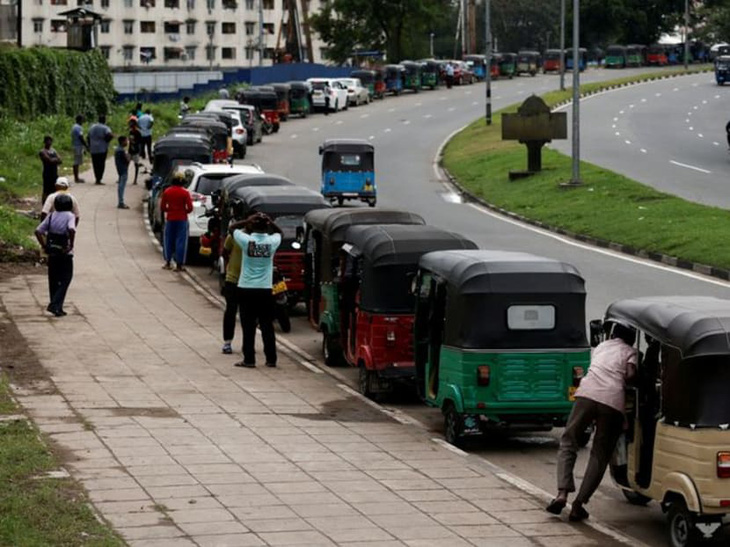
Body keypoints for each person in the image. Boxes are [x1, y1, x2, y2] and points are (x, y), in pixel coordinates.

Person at [547, 322, 638, 522]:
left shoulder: (602, 347)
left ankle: (562, 493)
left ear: (613, 334)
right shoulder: (631, 352)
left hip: (587, 394)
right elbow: (631, 375)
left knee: (569, 440)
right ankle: (578, 505)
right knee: (600, 453)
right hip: (612, 401)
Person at [233, 212, 282, 368]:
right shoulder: (272, 242)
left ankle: (249, 359)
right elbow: (279, 233)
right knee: (267, 325)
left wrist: (247, 220)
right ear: (266, 227)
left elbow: (232, 228)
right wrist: (270, 221)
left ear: (252, 226)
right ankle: (271, 359)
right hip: (265, 289)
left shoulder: (246, 241)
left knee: (248, 326)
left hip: (246, 288)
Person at [35, 193, 76, 317]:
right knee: (66, 278)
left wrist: (44, 245)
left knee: (53, 279)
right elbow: (71, 229)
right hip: (65, 252)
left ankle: (57, 307)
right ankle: (54, 304)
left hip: (52, 251)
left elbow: (38, 231)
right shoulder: (70, 216)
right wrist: (71, 244)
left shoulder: (51, 216)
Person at [221, 219, 247, 355]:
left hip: (248, 282)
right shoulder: (235, 236)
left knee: (247, 314)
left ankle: (247, 344)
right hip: (233, 279)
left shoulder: (255, 239)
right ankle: (227, 342)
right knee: (231, 311)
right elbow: (225, 252)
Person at [160, 172, 193, 271]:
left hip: (170, 219)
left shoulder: (167, 191)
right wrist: (184, 211)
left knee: (168, 240)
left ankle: (168, 262)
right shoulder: (185, 193)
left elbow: (162, 207)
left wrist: (170, 210)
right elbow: (190, 208)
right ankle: (179, 264)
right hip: (182, 219)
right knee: (181, 241)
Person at [88, 115, 113, 185]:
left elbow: (88, 136)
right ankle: (99, 178)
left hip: (93, 149)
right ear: (104, 120)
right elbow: (110, 135)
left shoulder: (92, 127)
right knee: (101, 164)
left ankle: (97, 178)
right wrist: (106, 140)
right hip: (102, 148)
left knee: (95, 164)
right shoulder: (105, 128)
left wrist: (89, 145)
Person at [39, 135, 62, 203]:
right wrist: (55, 160)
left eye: (50, 140)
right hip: (47, 173)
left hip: (54, 173)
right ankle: (44, 205)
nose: (49, 142)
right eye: (47, 141)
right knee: (46, 190)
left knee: (55, 189)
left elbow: (60, 160)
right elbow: (49, 160)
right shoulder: (42, 151)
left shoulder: (53, 150)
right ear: (45, 142)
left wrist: (53, 160)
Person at [114, 136, 131, 209]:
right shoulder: (121, 151)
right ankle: (121, 202)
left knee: (121, 185)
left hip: (120, 169)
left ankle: (120, 201)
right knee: (121, 186)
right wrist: (128, 157)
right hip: (123, 169)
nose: (127, 142)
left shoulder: (118, 149)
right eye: (126, 141)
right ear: (122, 142)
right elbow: (127, 160)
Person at [70, 115, 88, 184]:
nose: (83, 121)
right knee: (76, 162)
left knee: (77, 161)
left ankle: (77, 177)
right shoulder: (78, 128)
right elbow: (81, 137)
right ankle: (76, 178)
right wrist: (86, 145)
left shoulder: (74, 126)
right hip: (77, 146)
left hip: (75, 145)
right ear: (80, 120)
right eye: (83, 120)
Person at [128, 119, 142, 185]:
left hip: (136, 151)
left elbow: (140, 142)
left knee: (136, 165)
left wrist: (134, 144)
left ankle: (135, 179)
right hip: (130, 150)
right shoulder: (130, 131)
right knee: (126, 164)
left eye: (131, 124)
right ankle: (123, 177)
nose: (130, 125)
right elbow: (130, 139)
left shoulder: (138, 132)